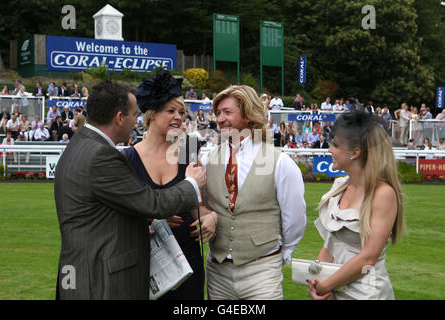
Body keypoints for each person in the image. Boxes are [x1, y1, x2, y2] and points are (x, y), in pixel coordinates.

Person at [54, 80, 206, 300]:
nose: (136, 120)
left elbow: (106, 209)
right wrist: (192, 183)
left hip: (81, 272)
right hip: (101, 279)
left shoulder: (79, 145)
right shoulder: (102, 155)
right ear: (118, 117)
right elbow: (153, 203)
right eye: (134, 115)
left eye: (181, 112)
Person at [202, 85, 306, 300]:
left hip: (262, 271)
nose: (220, 119)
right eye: (218, 113)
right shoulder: (207, 160)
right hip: (218, 270)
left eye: (228, 112)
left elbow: (294, 219)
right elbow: (202, 205)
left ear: (249, 115)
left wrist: (279, 256)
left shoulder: (280, 162)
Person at [124, 71, 217, 300]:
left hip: (188, 262)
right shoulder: (128, 158)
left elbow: (199, 206)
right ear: (152, 114)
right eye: (171, 111)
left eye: (182, 112)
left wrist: (212, 217)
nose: (178, 117)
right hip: (147, 263)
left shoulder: (188, 151)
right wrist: (152, 218)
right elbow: (121, 216)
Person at [308, 110, 405, 300]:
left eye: (335, 144)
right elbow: (330, 245)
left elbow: (368, 257)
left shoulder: (383, 194)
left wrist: (327, 283)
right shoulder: (339, 187)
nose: (330, 149)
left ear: (355, 153)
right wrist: (316, 280)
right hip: (336, 292)